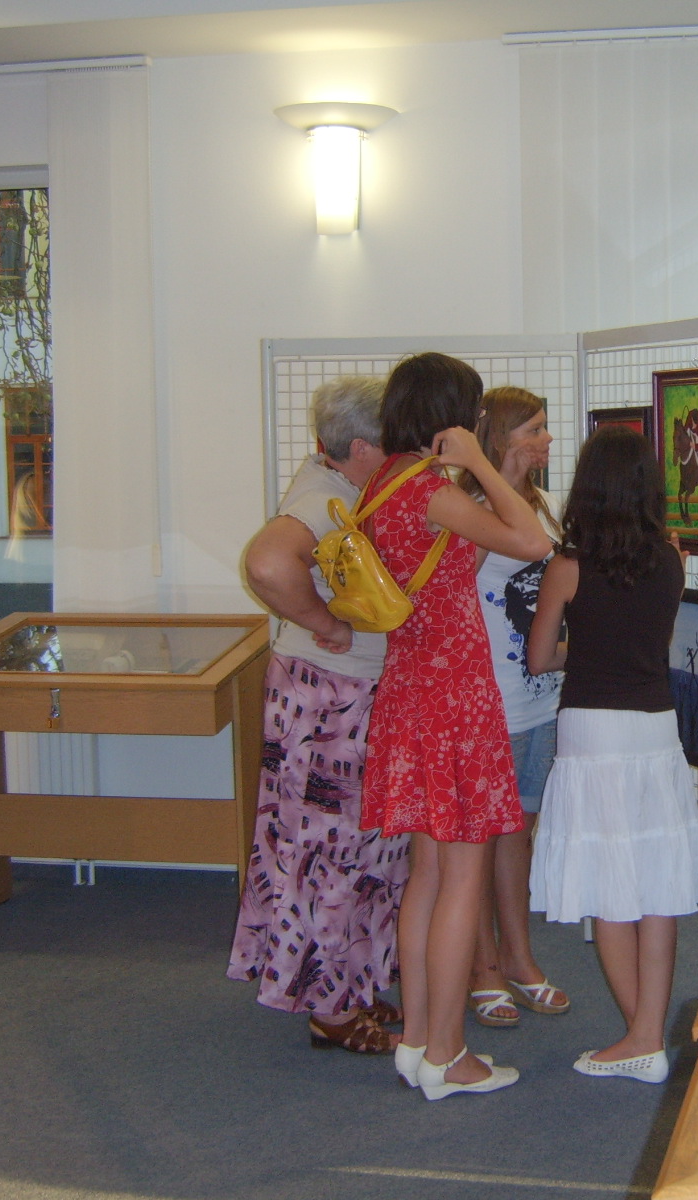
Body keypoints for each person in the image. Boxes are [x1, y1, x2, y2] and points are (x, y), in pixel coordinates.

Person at [359, 353, 552, 1100]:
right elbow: (532, 540)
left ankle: (417, 1041)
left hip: (410, 691)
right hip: (454, 697)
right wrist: (478, 463)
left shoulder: (385, 480)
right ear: (450, 413)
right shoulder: (432, 491)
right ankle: (447, 1054)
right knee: (461, 876)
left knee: (428, 876)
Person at [226, 375, 409, 1055]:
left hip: (343, 695)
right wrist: (324, 623)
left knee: (360, 847)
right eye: (390, 439)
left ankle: (350, 982)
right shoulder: (321, 499)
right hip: (328, 699)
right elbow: (267, 563)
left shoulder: (340, 486)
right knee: (328, 853)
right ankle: (329, 1006)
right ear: (361, 447)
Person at [525, 426, 698, 1084]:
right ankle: (646, 1036)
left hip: (592, 733)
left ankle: (642, 1038)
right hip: (656, 730)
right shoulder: (671, 559)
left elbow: (540, 657)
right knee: (657, 886)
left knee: (610, 889)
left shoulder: (567, 567)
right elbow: (648, 636)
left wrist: (585, 649)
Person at [460, 387, 570, 1028]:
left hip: (540, 700)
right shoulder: (474, 511)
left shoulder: (542, 507)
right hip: (487, 703)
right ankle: (483, 969)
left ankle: (520, 959)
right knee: (476, 841)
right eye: (535, 428)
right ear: (501, 438)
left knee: (517, 835)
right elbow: (449, 597)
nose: (547, 439)